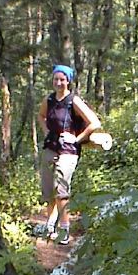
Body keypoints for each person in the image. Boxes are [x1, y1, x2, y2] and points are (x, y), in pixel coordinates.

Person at [38, 64, 101, 245]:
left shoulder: (74, 101)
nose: (58, 82)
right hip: (50, 147)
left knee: (61, 191)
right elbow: (41, 116)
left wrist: (76, 138)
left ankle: (64, 229)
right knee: (48, 190)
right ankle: (51, 228)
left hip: (68, 151)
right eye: (56, 79)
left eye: (62, 79)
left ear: (68, 81)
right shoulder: (49, 100)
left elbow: (94, 122)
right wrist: (46, 132)